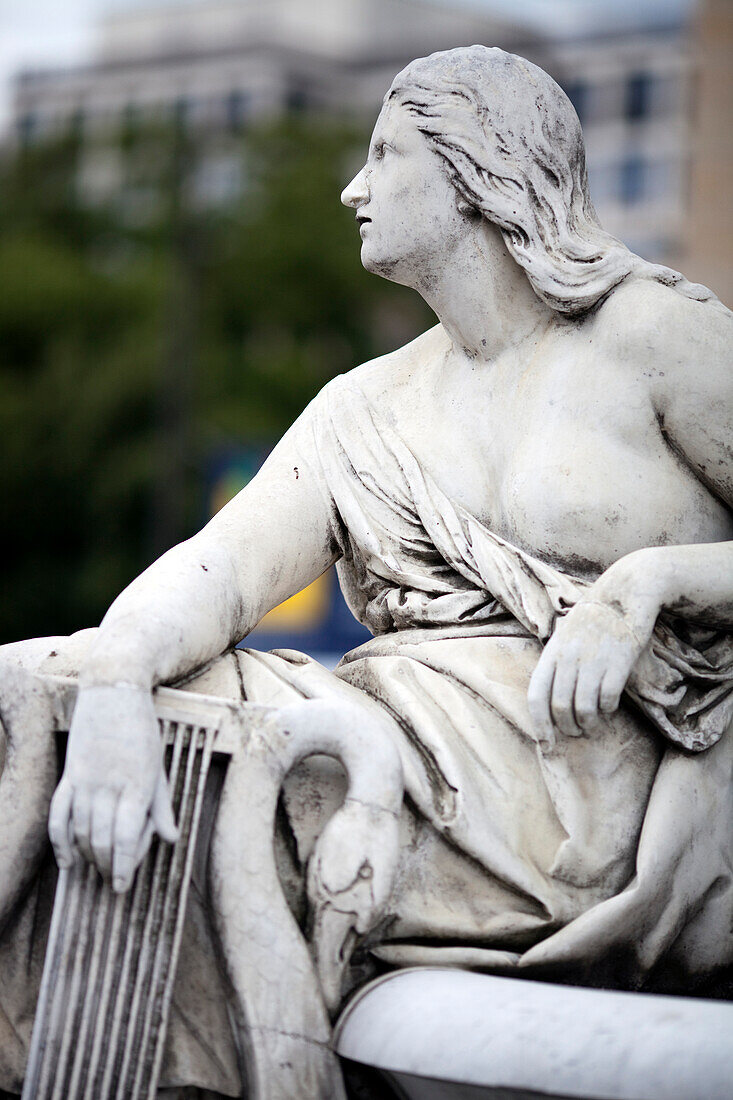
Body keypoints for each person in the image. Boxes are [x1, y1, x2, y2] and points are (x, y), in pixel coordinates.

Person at [1, 43, 732, 1095]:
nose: (354, 186)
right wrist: (116, 677)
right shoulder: (361, 407)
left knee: (234, 775)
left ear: (477, 170)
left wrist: (647, 583)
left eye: (385, 155)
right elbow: (216, 569)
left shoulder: (654, 336)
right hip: (398, 745)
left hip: (598, 795)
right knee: (41, 696)